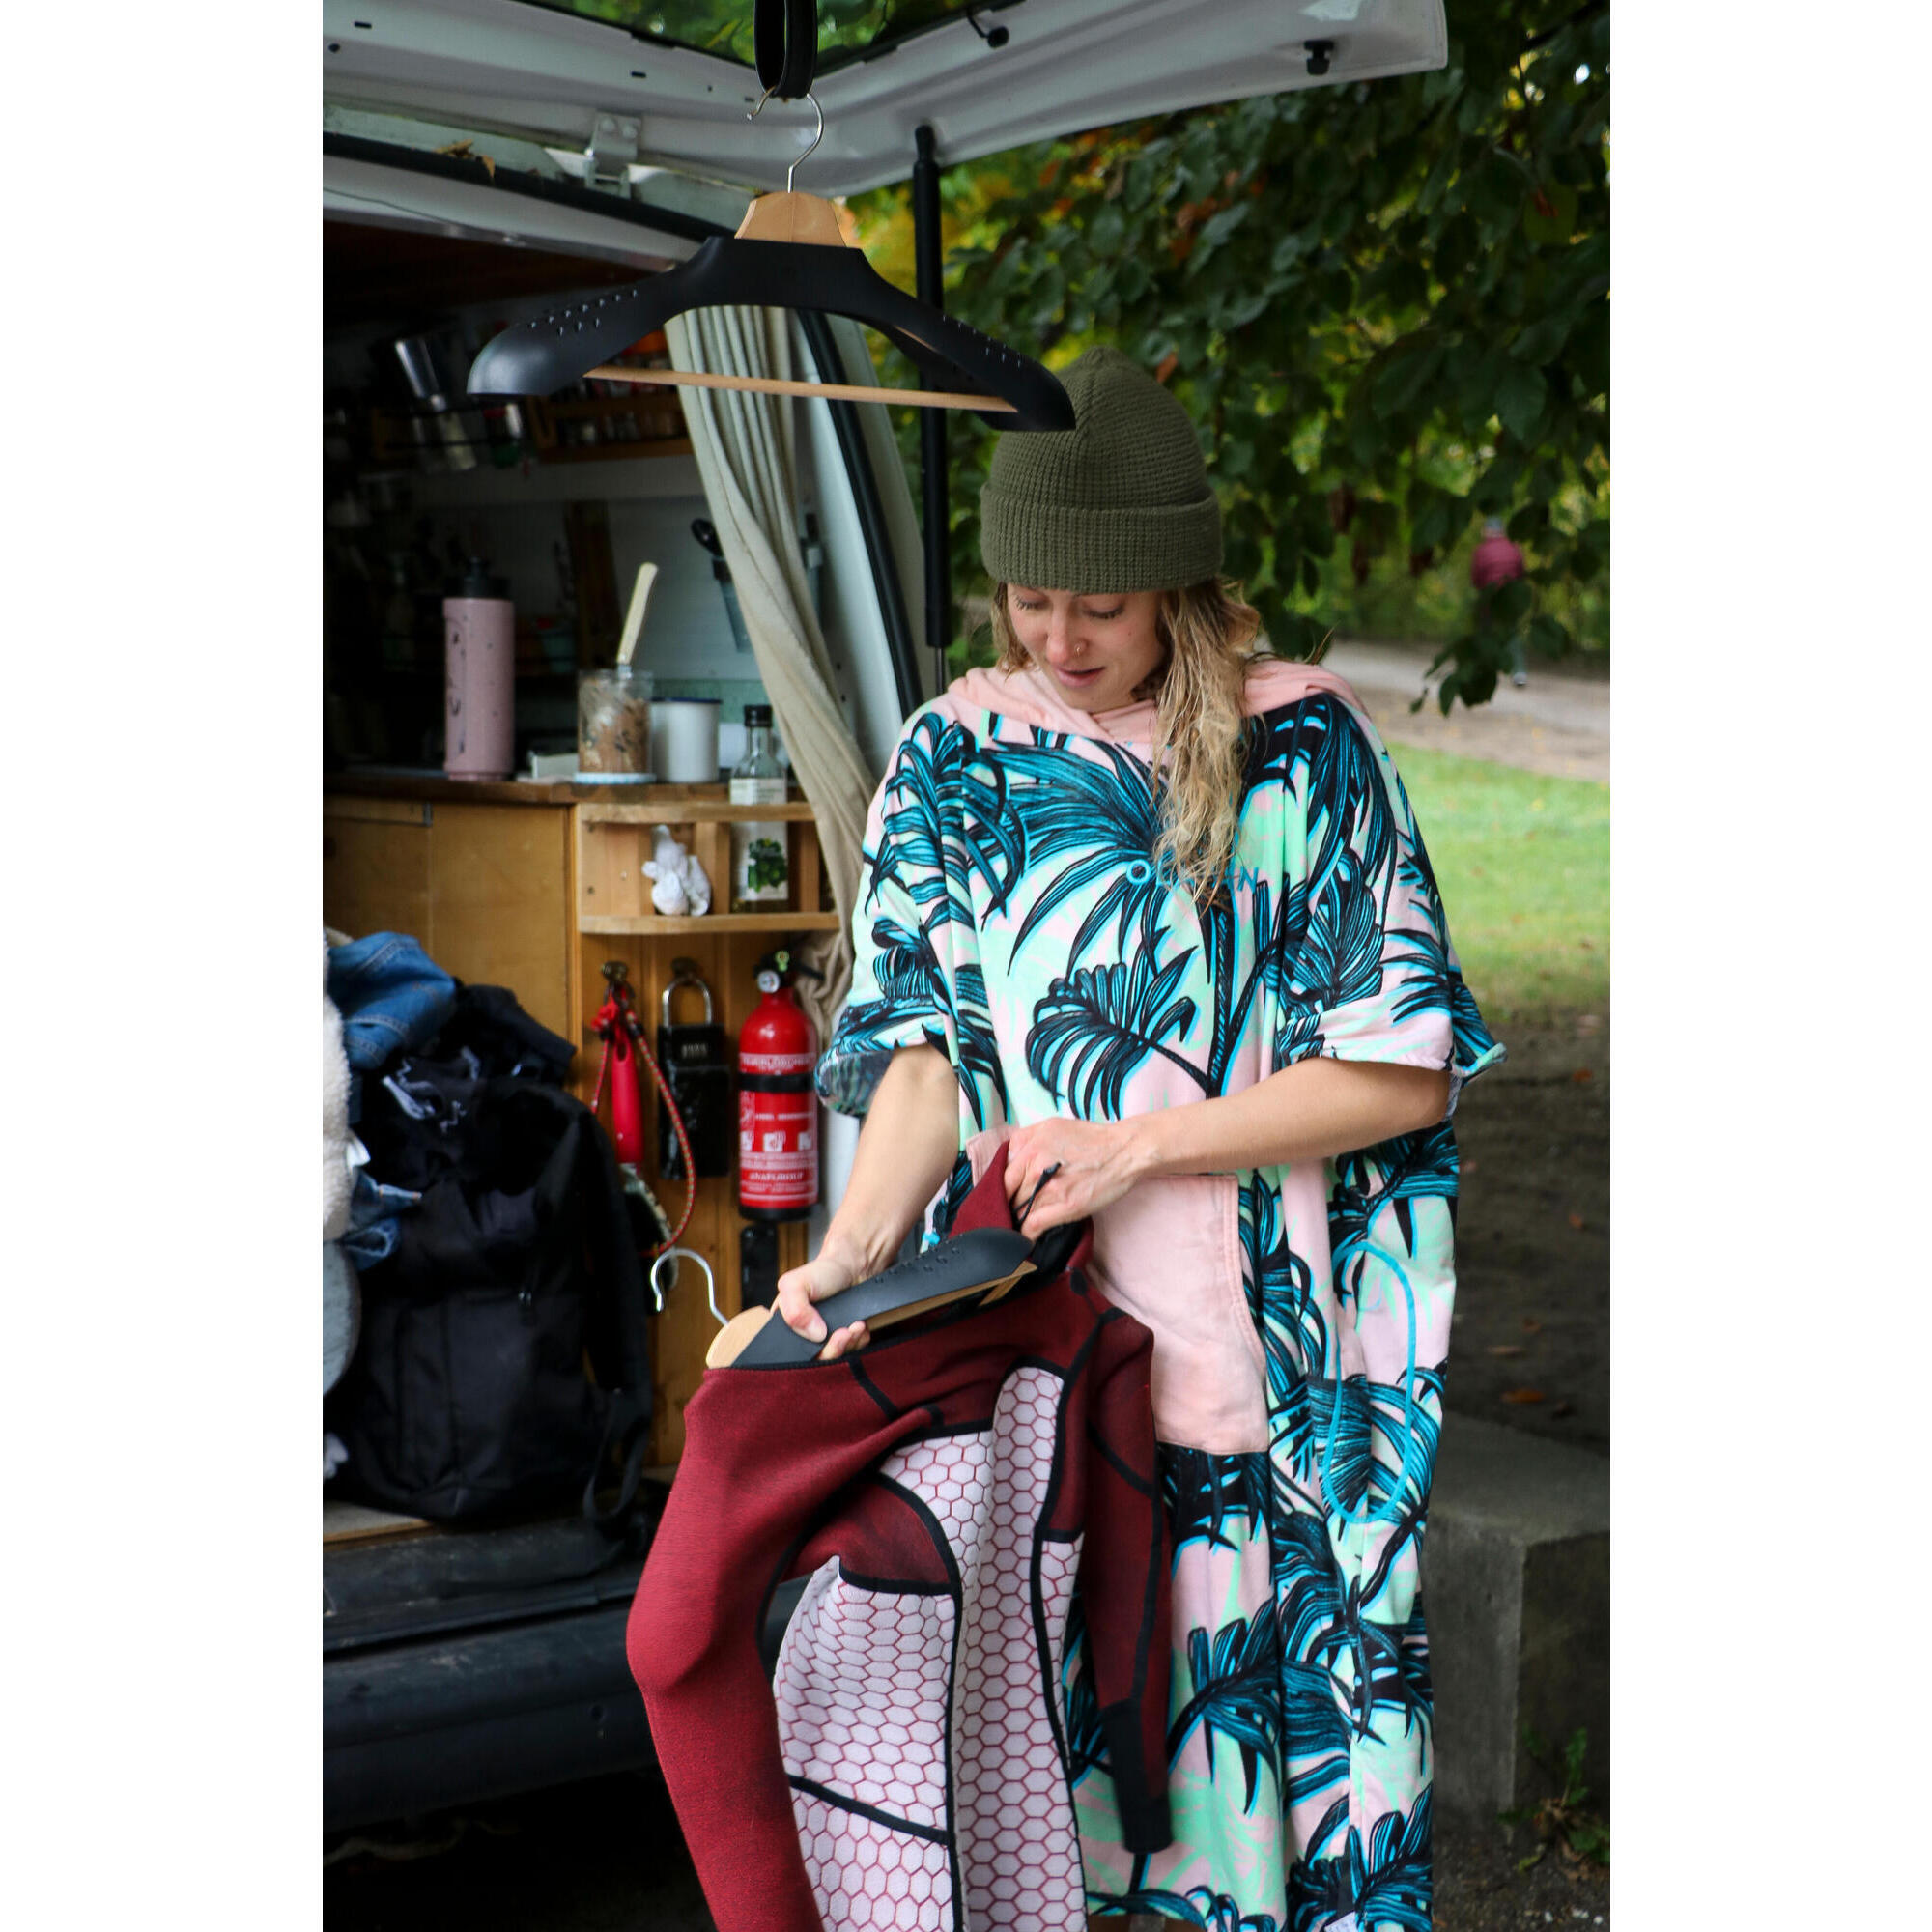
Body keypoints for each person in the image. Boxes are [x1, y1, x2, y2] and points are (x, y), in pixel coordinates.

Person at [785, 346, 1501, 1932]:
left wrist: (1135, 1151)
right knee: (1058, 1828)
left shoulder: (1305, 756)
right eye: (1031, 597)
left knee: (1270, 1822)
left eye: (1099, 604)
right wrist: (844, 1255)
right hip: (1040, 1384)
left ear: (1178, 579)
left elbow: (1400, 1073)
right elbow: (922, 1058)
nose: (1060, 636)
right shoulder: (961, 760)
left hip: (1268, 1393)